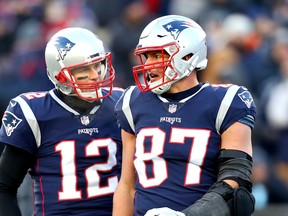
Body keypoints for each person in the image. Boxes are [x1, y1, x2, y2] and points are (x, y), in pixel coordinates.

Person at [113, 15, 256, 216]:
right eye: (148, 56)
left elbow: (236, 180)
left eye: (158, 56)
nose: (150, 64)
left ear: (188, 56)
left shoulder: (227, 101)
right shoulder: (132, 101)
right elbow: (127, 185)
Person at [0, 27, 123, 216]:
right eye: (83, 69)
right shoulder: (34, 112)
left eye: (97, 65)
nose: (94, 75)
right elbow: (4, 186)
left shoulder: (124, 104)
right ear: (59, 75)